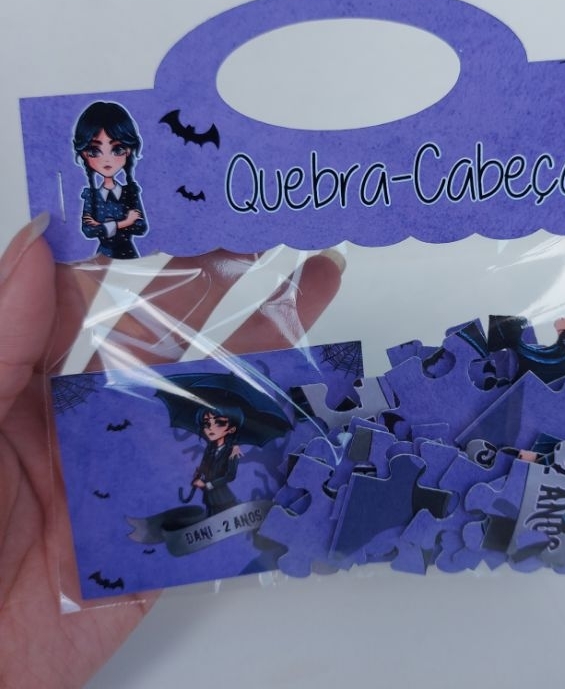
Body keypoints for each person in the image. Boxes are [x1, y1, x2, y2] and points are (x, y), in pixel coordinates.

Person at [0, 213, 344, 688]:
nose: (211, 425)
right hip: (179, 503)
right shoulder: (207, 445)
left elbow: (222, 468)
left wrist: (217, 472)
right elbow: (204, 461)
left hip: (221, 498)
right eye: (208, 421)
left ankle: (226, 527)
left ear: (231, 426)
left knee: (222, 509)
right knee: (210, 511)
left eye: (217, 422)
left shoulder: (230, 449)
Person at [74, 101, 148, 259]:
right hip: (103, 257)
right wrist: (125, 222)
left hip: (129, 255)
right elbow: (88, 230)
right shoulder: (91, 196)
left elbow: (140, 227)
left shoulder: (130, 192)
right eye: (94, 150)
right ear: (84, 154)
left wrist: (102, 225)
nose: (107, 160)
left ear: (128, 150)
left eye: (117, 149)